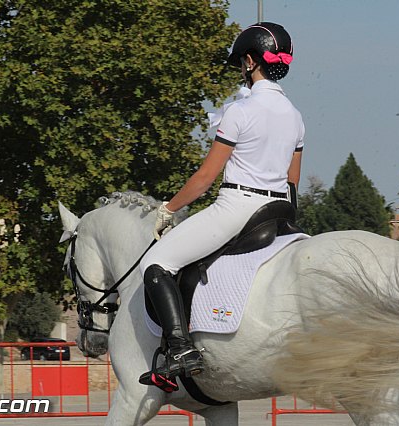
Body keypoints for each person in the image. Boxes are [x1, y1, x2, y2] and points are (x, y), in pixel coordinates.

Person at [139, 22, 305, 384]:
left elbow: (203, 180)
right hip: (278, 212)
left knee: (156, 262)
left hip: (239, 207)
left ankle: (181, 348)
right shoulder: (294, 116)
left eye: (240, 64)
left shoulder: (240, 112)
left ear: (249, 62)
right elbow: (293, 181)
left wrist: (168, 209)